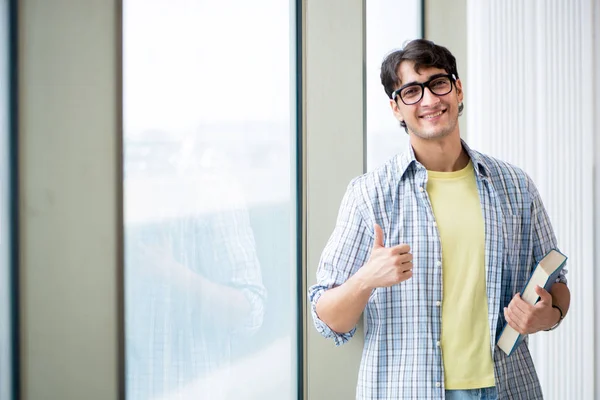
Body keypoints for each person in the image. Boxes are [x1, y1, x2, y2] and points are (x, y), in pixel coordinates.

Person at [308, 39, 570, 400]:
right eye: (412, 91)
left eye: (438, 84)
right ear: (396, 108)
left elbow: (558, 286)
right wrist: (366, 279)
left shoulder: (515, 186)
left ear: (457, 89)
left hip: (508, 388)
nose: (429, 100)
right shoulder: (370, 195)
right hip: (406, 390)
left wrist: (549, 315)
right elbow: (327, 319)